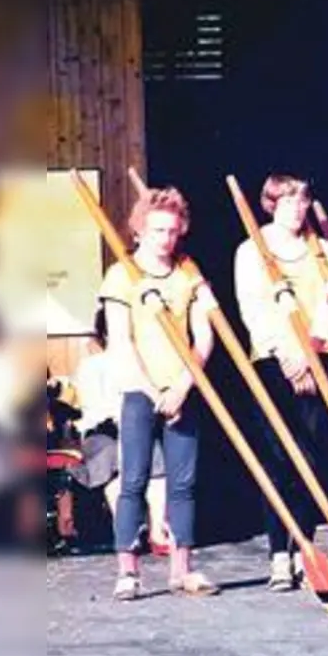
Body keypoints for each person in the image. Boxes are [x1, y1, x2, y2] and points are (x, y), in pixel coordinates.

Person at [100, 186, 217, 598]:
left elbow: (204, 337)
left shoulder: (188, 272)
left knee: (183, 484)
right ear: (139, 231)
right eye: (157, 230)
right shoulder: (121, 274)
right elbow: (121, 342)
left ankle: (182, 569)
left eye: (171, 230)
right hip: (140, 392)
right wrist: (152, 391)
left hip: (182, 391)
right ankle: (128, 572)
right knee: (133, 479)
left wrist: (183, 386)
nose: (165, 238)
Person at [233, 173, 328, 591]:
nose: (298, 208)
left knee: (313, 460)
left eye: (303, 200)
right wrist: (287, 354)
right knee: (279, 459)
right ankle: (279, 553)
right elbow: (253, 310)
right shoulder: (252, 250)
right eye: (289, 201)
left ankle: (304, 548)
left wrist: (311, 354)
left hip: (316, 362)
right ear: (271, 204)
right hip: (273, 363)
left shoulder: (322, 251)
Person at [74, 313, 171, 557]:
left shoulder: (94, 365)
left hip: (114, 430)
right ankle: (146, 532)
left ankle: (139, 533)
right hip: (110, 430)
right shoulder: (105, 365)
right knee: (143, 472)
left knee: (132, 474)